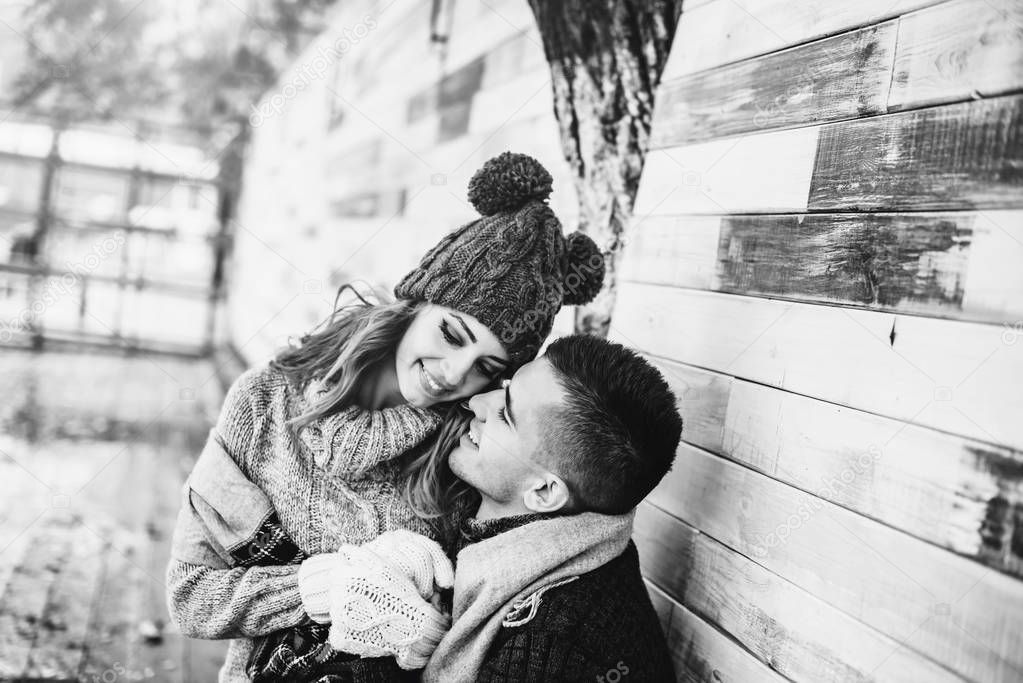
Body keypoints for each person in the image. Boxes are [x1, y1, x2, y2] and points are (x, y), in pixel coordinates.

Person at [165, 151, 605, 681]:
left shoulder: (469, 453)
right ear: (414, 304)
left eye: (486, 366)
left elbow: (483, 603)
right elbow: (191, 596)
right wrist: (327, 588)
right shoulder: (263, 405)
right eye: (450, 334)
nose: (453, 374)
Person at [314, 334, 683, 682]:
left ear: (544, 491)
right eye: (505, 388)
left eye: (505, 415)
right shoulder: (559, 534)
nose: (476, 402)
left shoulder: (558, 647)